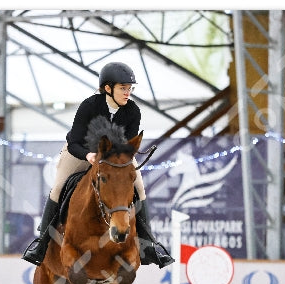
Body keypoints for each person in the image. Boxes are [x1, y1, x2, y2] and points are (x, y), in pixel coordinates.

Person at [22, 61, 174, 268]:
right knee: (58, 188)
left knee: (139, 187)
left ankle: (149, 244)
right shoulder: (89, 106)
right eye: (123, 88)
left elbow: (126, 147)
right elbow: (74, 142)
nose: (127, 93)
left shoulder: (133, 111)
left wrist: (112, 160)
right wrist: (89, 155)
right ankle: (42, 242)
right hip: (80, 152)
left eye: (129, 88)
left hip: (114, 157)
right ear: (108, 88)